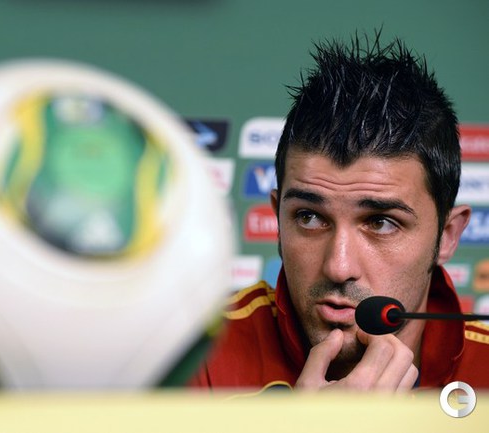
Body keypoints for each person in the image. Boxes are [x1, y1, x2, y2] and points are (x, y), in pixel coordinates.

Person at [189, 33, 489, 393]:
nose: (339, 266)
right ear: (279, 221)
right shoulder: (192, 359)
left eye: (381, 223)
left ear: (447, 236)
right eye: (309, 217)